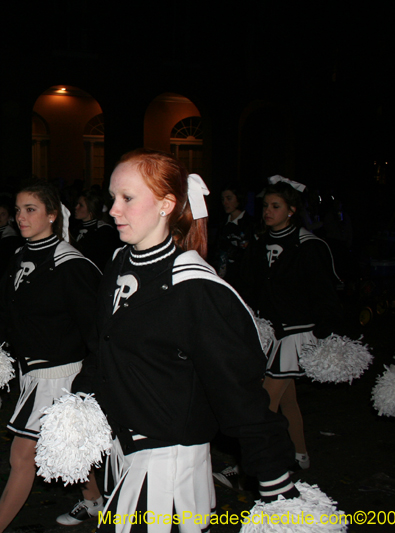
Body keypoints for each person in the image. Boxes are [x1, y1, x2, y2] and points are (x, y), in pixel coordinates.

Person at [74, 149, 299, 533]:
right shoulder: (118, 262)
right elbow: (102, 347)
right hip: (123, 457)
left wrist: (281, 494)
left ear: (166, 204)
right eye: (113, 197)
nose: (113, 209)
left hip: (167, 475)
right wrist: (79, 405)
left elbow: (242, 397)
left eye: (127, 198)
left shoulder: (196, 288)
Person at [0, 181, 102, 533]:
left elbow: (97, 331)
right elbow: (4, 307)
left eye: (31, 210)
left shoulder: (71, 264)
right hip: (33, 372)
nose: (21, 217)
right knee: (69, 446)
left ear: (53, 216)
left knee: (22, 456)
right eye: (18, 210)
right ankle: (95, 503)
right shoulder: (20, 255)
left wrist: (89, 385)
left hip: (60, 374)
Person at [236, 178, 342, 474]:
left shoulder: (309, 245)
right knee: (288, 401)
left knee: (263, 404)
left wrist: (325, 329)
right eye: (266, 206)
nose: (268, 211)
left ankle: (257, 466)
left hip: (297, 332)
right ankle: (301, 455)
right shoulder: (259, 245)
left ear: (292, 210)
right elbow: (250, 286)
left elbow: (324, 291)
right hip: (272, 332)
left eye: (275, 206)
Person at [211, 185, 255, 285]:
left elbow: (250, 257)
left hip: (242, 280)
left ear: (239, 198)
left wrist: (230, 249)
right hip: (223, 278)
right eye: (223, 199)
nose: (225, 203)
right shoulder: (223, 224)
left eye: (229, 198)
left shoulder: (250, 224)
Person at [73, 189, 121, 271]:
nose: (76, 207)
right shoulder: (75, 227)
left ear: (91, 209)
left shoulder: (104, 232)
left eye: (81, 205)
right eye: (77, 204)